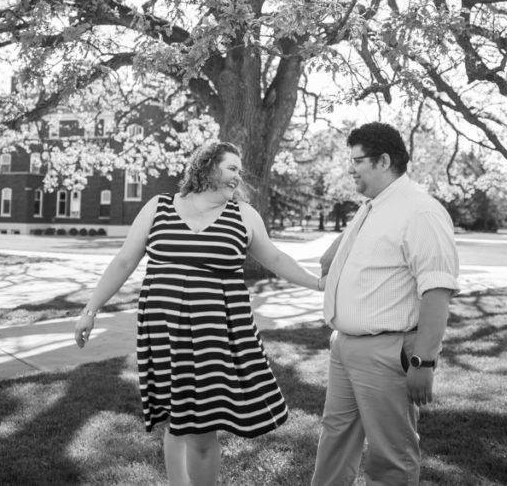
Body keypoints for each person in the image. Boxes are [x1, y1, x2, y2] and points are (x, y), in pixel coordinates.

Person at [74, 141, 325, 486]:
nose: (239, 175)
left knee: (202, 429)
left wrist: (318, 284)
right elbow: (124, 261)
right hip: (164, 331)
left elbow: (277, 259)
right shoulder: (159, 207)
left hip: (216, 333)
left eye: (240, 170)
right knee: (176, 417)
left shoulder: (244, 216)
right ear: (206, 167)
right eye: (232, 168)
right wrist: (90, 309)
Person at [312, 122, 459, 486]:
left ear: (383, 161)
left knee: (390, 455)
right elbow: (329, 262)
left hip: (385, 350)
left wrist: (424, 360)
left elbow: (437, 291)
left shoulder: (420, 212)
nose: (350, 169)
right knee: (335, 439)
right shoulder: (372, 208)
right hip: (344, 347)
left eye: (357, 161)